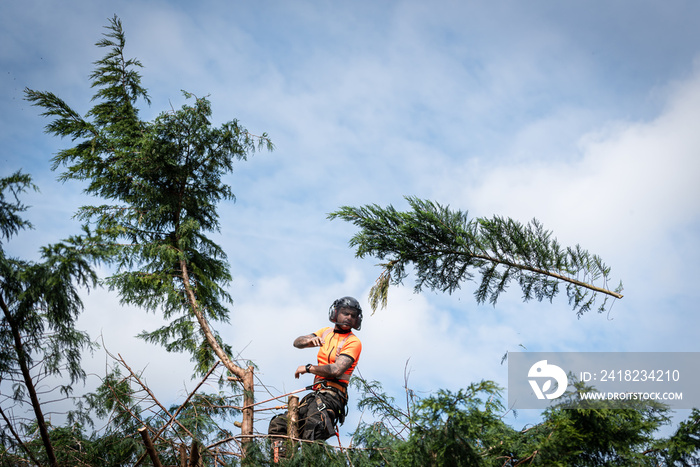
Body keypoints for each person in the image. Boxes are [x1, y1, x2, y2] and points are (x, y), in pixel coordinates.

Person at [268, 296, 363, 458]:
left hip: (333, 396)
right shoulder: (326, 332)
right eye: (345, 313)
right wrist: (309, 340)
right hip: (316, 394)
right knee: (279, 424)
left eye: (353, 315)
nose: (349, 317)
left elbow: (336, 370)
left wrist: (309, 368)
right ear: (335, 313)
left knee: (312, 427)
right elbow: (297, 342)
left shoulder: (353, 342)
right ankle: (281, 461)